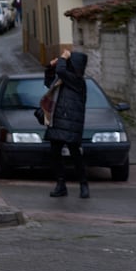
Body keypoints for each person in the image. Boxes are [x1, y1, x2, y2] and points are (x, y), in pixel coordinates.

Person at [44, 48, 90, 199]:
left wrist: (63, 58)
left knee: (76, 155)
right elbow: (48, 82)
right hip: (57, 121)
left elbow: (62, 71)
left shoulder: (77, 81)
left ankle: (83, 185)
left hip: (71, 123)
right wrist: (50, 67)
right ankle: (61, 184)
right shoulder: (62, 80)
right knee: (55, 155)